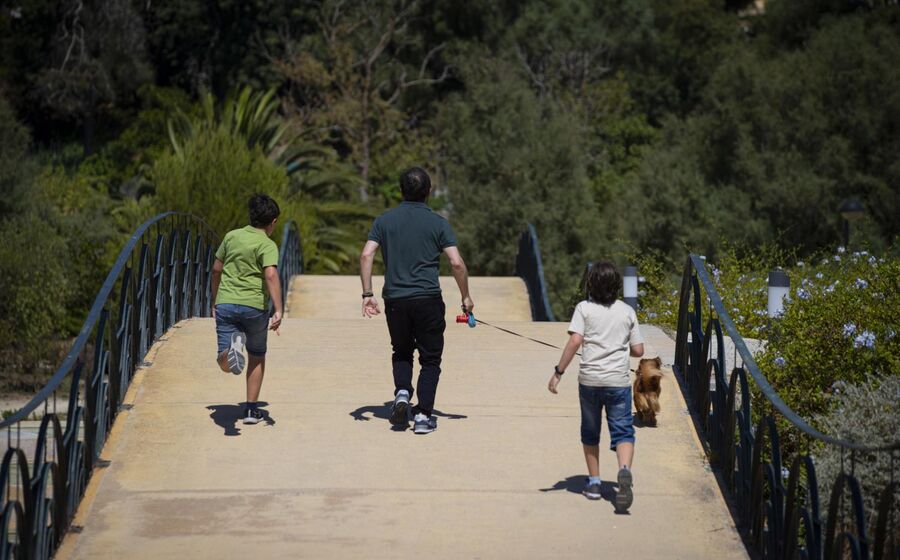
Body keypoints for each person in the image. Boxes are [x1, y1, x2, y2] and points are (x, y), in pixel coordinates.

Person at [359, 167, 473, 435]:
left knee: (401, 351)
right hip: (428, 299)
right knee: (430, 359)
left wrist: (367, 294)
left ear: (401, 191)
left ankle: (401, 393)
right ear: (429, 192)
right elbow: (456, 263)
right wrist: (465, 296)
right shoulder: (438, 223)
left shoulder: (384, 221)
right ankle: (422, 416)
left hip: (395, 300)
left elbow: (366, 255)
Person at [547, 262, 644, 511]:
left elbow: (575, 340)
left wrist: (558, 372)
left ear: (591, 285)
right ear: (617, 287)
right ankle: (624, 471)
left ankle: (593, 483)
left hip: (590, 381)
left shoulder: (584, 309)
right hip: (618, 382)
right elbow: (638, 350)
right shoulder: (626, 312)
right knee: (623, 431)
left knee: (590, 431)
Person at [210, 194, 283, 425]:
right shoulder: (267, 244)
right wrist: (279, 309)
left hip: (227, 303)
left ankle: (228, 352)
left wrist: (215, 299)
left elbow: (216, 269)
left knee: (224, 358)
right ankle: (251, 411)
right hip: (254, 307)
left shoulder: (232, 236)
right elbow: (270, 274)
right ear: (272, 221)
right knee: (257, 355)